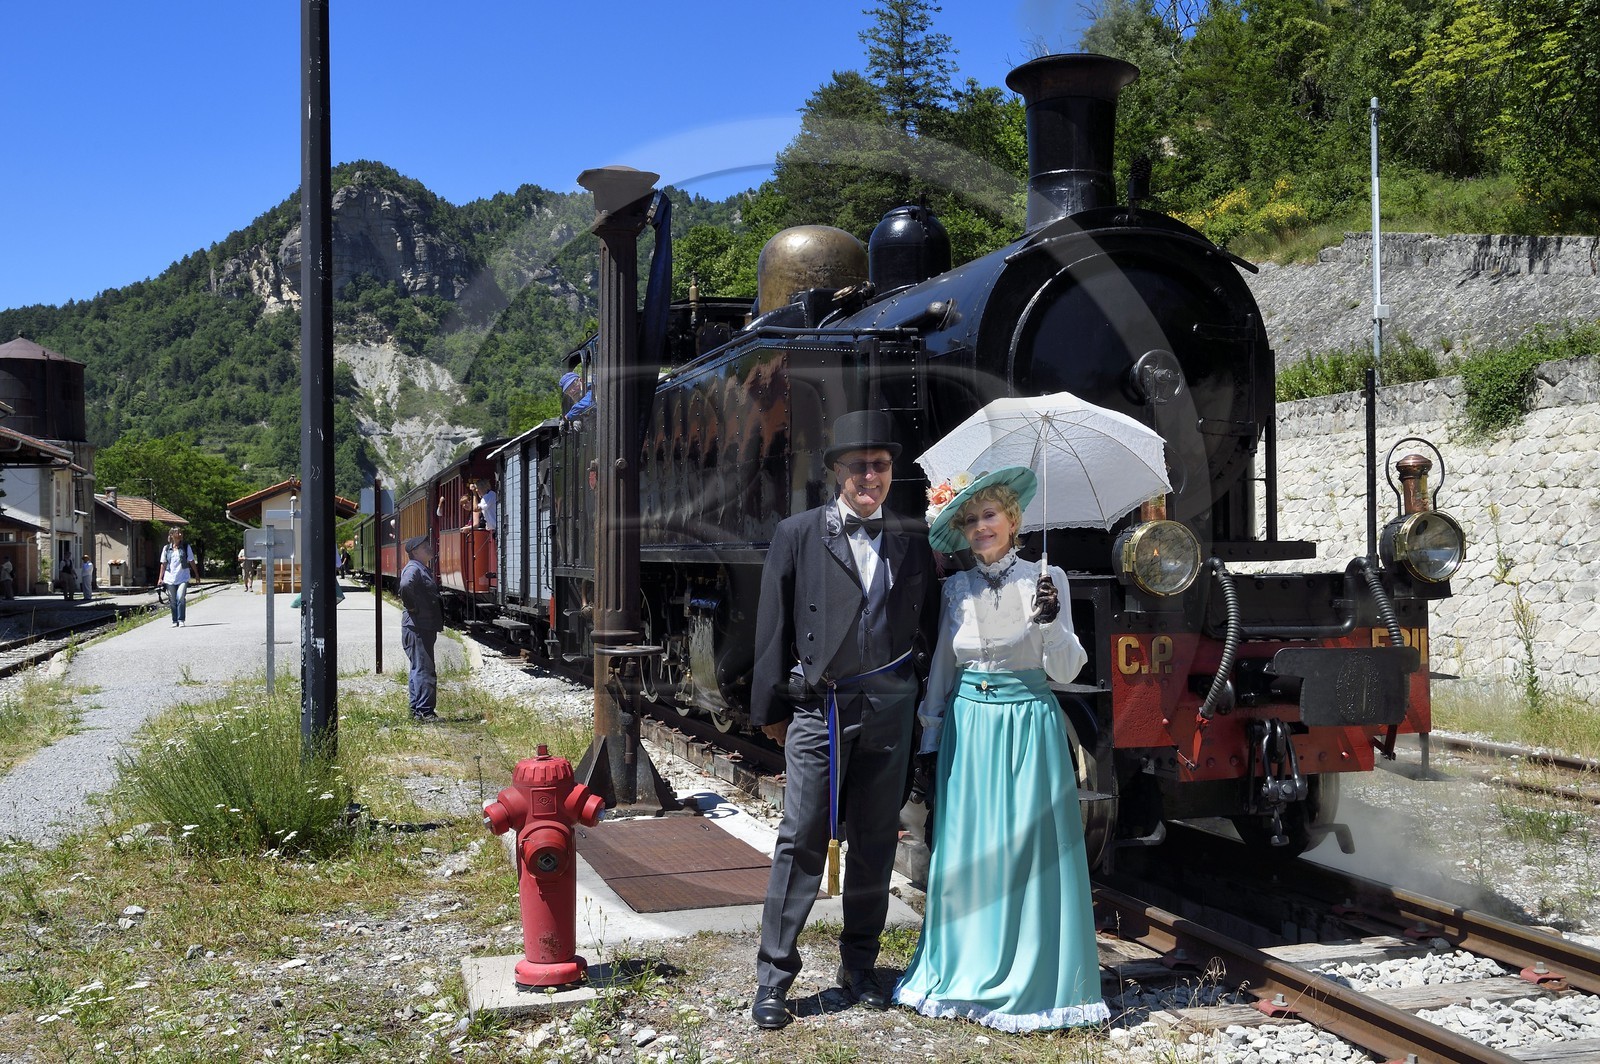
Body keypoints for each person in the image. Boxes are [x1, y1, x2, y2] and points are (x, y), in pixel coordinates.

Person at [892, 466, 1108, 1032]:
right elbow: (943, 672)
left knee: (1027, 852)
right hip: (969, 730)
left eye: (989, 515)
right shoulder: (956, 589)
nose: (980, 527)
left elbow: (1067, 670)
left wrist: (1053, 624)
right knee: (969, 851)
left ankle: (1035, 978)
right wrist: (930, 743)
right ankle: (968, 966)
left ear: (1013, 520)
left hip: (1028, 726)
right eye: (970, 520)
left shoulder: (1047, 579)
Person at [749, 409, 940, 1030]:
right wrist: (772, 710)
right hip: (822, 707)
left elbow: (930, 624)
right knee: (802, 836)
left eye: (880, 466)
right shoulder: (798, 533)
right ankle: (774, 977)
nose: (870, 476)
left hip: (889, 712)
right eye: (858, 466)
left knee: (876, 841)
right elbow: (772, 625)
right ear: (836, 471)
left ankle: (859, 967)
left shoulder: (912, 539)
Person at [398, 533, 443, 722]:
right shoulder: (413, 569)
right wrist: (412, 607)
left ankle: (417, 711)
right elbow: (405, 586)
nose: (429, 548)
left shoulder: (419, 568)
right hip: (418, 627)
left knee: (418, 668)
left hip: (420, 626)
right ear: (415, 552)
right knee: (424, 669)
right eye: (425, 547)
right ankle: (425, 712)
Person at [158, 529, 196, 627]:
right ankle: (174, 621)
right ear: (171, 535)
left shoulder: (186, 547)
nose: (180, 534)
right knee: (173, 600)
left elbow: (191, 561)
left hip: (183, 577)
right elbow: (163, 564)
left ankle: (181, 619)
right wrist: (160, 578)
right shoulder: (166, 548)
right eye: (177, 532)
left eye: (181, 533)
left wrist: (197, 574)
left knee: (180, 597)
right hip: (169, 578)